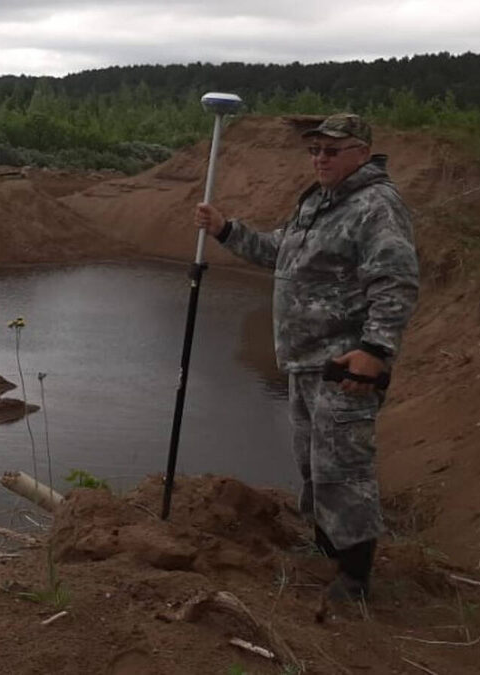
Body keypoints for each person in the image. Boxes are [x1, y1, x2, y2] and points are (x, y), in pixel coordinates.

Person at [194, 113, 419, 601]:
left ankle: (354, 577)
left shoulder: (376, 205)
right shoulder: (318, 202)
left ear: (362, 152)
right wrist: (227, 230)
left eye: (331, 151)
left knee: (343, 468)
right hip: (304, 363)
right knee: (313, 464)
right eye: (315, 150)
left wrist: (375, 351)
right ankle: (327, 549)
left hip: (343, 367)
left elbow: (395, 281)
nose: (319, 158)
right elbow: (281, 252)